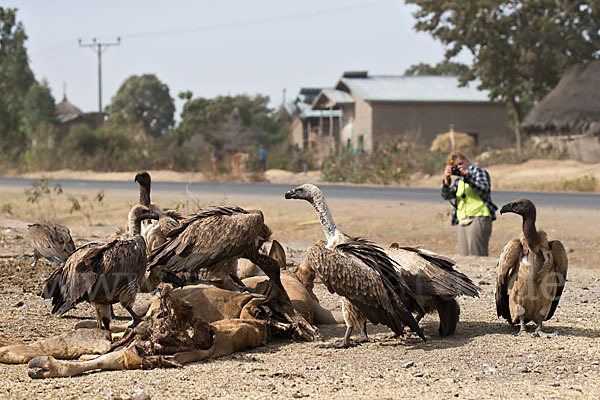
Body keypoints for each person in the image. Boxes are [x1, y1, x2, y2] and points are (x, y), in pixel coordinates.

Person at [441, 151, 497, 256]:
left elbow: (484, 190)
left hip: (479, 217)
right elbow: (446, 196)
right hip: (463, 219)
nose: (458, 167)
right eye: (454, 166)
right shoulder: (458, 180)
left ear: (466, 161)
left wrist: (468, 178)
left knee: (477, 256)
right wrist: (446, 181)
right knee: (464, 257)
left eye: (460, 164)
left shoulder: (477, 171)